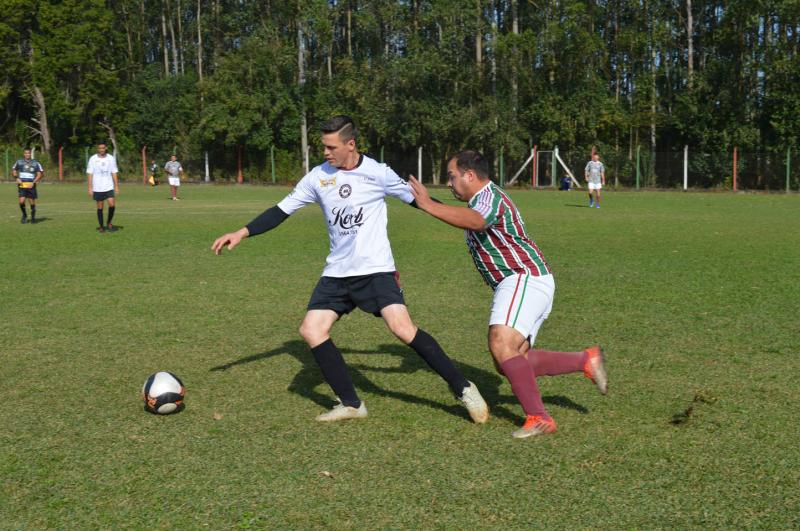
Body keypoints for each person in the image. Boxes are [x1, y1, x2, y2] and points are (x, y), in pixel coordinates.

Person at [211, 115, 488, 423]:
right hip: (337, 273)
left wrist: (466, 218)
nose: (326, 153)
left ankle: (463, 387)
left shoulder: (378, 173)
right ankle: (352, 404)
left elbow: (421, 202)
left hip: (376, 270)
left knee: (401, 328)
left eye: (331, 147)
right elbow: (280, 211)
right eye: (324, 147)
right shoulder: (318, 177)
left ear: (351, 144)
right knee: (311, 330)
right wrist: (242, 232)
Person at [409, 150, 608, 439]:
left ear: (469, 175)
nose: (449, 184)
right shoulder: (479, 201)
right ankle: (585, 360)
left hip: (522, 277)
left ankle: (539, 418)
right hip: (528, 281)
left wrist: (427, 205)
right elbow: (465, 216)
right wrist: (416, 199)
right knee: (509, 361)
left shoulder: (488, 198)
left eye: (452, 177)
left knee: (500, 343)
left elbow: (477, 221)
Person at [86, 142, 119, 233]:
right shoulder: (93, 159)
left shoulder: (111, 158)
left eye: (103, 148)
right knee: (100, 207)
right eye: (100, 148)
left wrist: (116, 186)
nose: (101, 150)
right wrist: (90, 187)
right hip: (97, 187)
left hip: (109, 186)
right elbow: (90, 174)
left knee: (112, 204)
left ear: (106, 148)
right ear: (98, 149)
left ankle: (109, 222)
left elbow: (114, 172)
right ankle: (101, 226)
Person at [12, 148, 44, 224]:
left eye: (28, 153)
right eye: (26, 153)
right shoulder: (19, 162)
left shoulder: (35, 163)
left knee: (31, 202)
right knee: (21, 201)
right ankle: (24, 215)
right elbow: (14, 170)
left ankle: (33, 217)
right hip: (22, 185)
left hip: (31, 185)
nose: (27, 154)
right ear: (24, 154)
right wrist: (16, 178)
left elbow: (40, 174)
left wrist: (34, 182)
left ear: (30, 154)